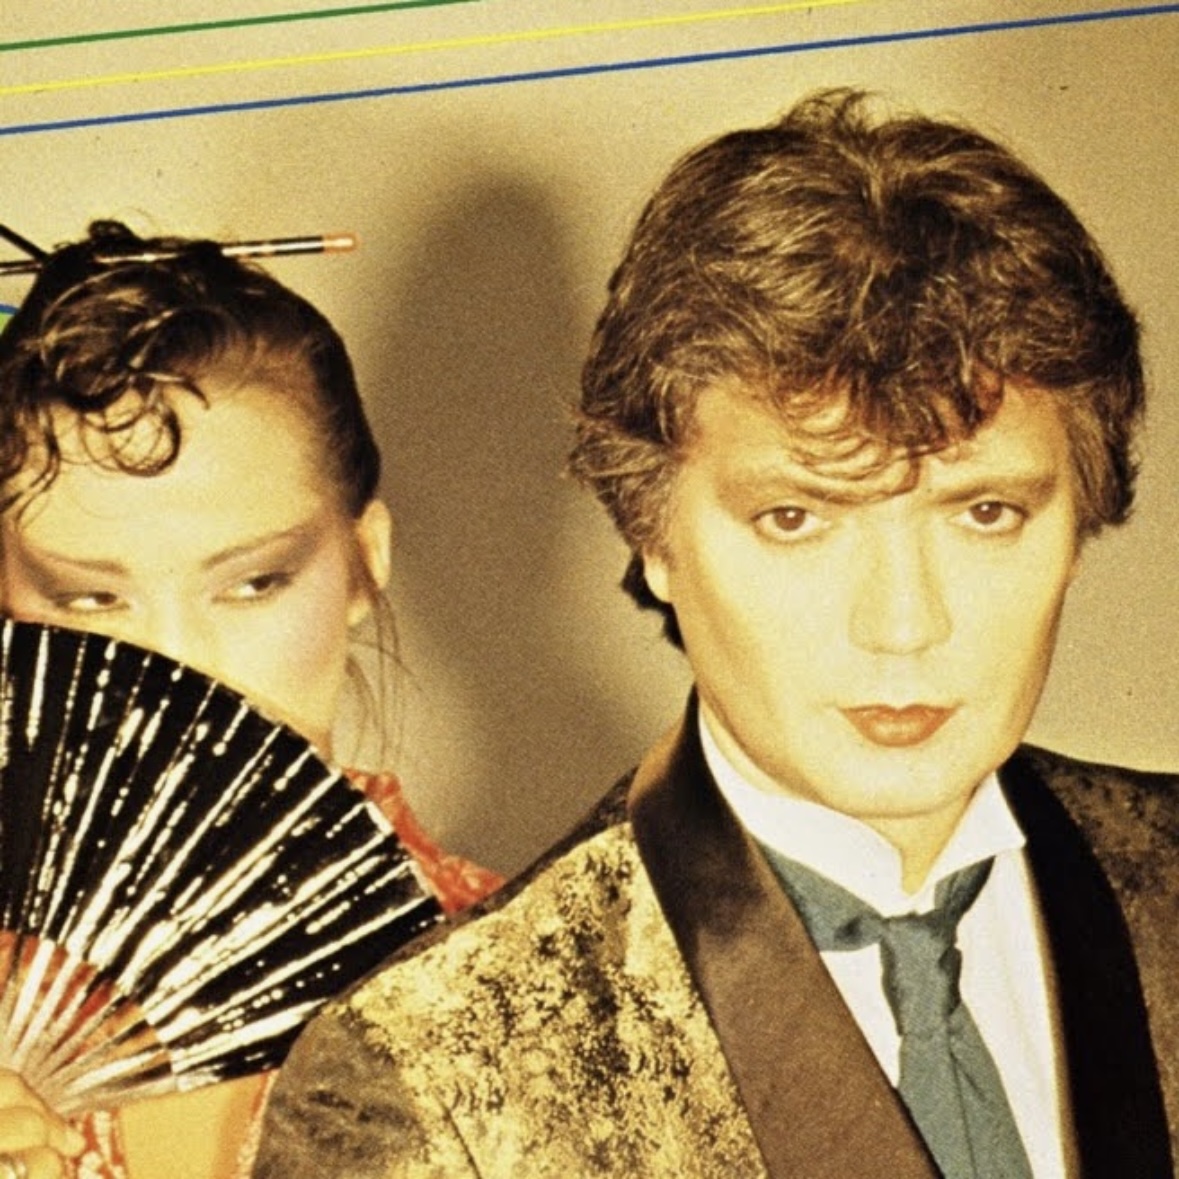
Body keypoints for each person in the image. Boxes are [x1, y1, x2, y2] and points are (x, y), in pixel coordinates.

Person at [254, 89, 1178, 1177]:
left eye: (984, 513)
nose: (903, 623)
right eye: (796, 519)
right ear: (651, 532)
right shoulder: (431, 1080)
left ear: (1080, 519)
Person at [0, 221, 502, 1179]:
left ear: (364, 564)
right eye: (90, 598)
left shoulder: (522, 989)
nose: (176, 666)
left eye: (252, 582)